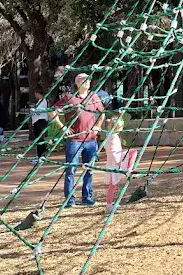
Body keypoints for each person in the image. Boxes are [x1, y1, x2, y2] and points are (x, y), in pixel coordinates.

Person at [52, 73, 105, 207]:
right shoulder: (69, 98)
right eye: (83, 80)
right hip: (74, 140)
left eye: (88, 80)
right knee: (71, 170)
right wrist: (63, 127)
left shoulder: (94, 96)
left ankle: (87, 197)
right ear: (77, 83)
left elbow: (102, 113)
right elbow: (52, 111)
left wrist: (98, 126)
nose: (87, 82)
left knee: (89, 169)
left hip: (91, 140)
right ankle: (69, 200)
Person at [102, 113, 135, 212]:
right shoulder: (113, 137)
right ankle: (129, 169)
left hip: (113, 162)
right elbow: (112, 150)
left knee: (112, 186)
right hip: (115, 162)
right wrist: (118, 162)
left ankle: (109, 205)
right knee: (133, 152)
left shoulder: (110, 136)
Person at [30, 89, 49, 162]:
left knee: (40, 139)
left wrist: (34, 110)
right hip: (37, 121)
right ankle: (39, 156)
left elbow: (40, 111)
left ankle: (41, 156)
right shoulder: (39, 102)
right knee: (38, 139)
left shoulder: (43, 101)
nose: (35, 96)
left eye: (36, 94)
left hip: (41, 121)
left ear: (38, 94)